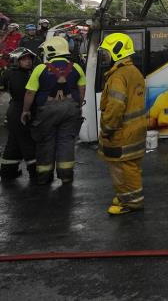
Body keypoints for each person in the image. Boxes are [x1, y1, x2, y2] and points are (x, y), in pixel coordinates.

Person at [21, 36, 86, 185]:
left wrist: (25, 111)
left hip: (46, 112)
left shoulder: (40, 68)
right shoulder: (76, 67)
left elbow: (30, 93)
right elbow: (82, 89)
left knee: (45, 142)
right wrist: (78, 105)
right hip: (71, 110)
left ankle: (44, 177)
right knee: (66, 142)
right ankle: (66, 176)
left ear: (50, 51)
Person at [97, 33, 147, 215]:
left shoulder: (118, 76)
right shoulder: (133, 71)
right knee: (131, 166)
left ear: (117, 52)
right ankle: (127, 196)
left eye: (106, 52)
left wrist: (107, 129)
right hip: (135, 130)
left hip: (121, 132)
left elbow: (116, 106)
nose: (105, 57)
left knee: (122, 168)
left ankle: (131, 203)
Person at [0, 48, 37, 182]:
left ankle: (7, 171)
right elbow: (26, 94)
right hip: (21, 111)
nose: (28, 62)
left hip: (14, 111)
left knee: (13, 144)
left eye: (29, 59)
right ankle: (36, 173)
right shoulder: (19, 75)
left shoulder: (10, 73)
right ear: (16, 60)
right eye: (24, 59)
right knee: (28, 142)